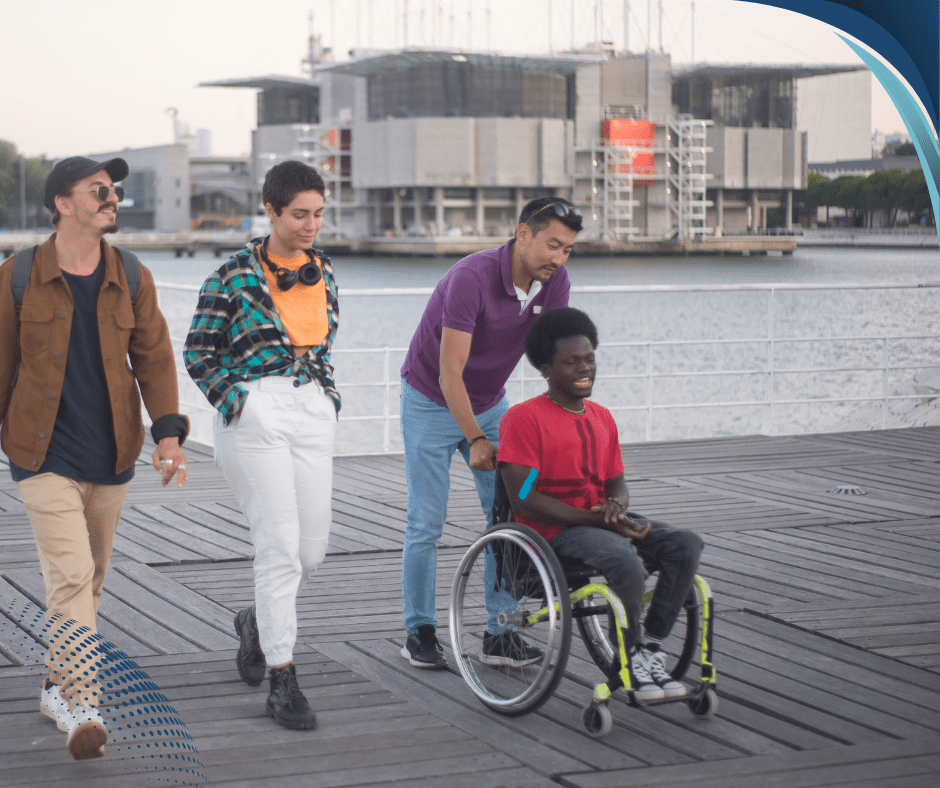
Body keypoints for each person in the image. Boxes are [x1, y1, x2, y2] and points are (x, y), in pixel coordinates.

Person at [0, 156, 189, 760]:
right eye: (99, 190)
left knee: (93, 577)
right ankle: (83, 704)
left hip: (111, 450)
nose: (113, 198)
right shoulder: (17, 275)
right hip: (41, 449)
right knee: (72, 574)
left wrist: (167, 434)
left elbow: (154, 356)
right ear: (63, 202)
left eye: (116, 191)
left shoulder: (130, 274)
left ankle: (58, 683)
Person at [184, 160, 339, 731]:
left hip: (310, 409)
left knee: (309, 552)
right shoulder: (230, 276)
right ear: (270, 210)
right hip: (255, 413)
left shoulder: (324, 270)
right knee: (277, 546)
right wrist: (238, 403)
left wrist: (325, 400)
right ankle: (282, 677)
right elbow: (198, 350)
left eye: (318, 214)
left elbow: (321, 346)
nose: (310, 225)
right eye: (299, 214)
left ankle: (255, 619)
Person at [399, 197, 582, 668]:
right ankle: (419, 630)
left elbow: (552, 361)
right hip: (429, 397)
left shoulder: (554, 281)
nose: (558, 259)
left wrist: (567, 421)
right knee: (426, 522)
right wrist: (477, 439)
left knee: (510, 512)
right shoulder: (471, 278)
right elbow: (449, 373)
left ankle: (499, 632)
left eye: (567, 249)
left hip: (490, 400)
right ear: (523, 234)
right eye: (552, 245)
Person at [497, 307, 704, 701]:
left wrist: (616, 507)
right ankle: (628, 653)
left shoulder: (602, 417)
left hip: (600, 520)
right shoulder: (523, 420)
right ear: (546, 369)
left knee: (685, 543)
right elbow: (523, 500)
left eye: (589, 358)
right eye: (571, 361)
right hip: (552, 530)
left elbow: (617, 482)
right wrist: (599, 521)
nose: (584, 368)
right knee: (624, 559)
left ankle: (650, 648)